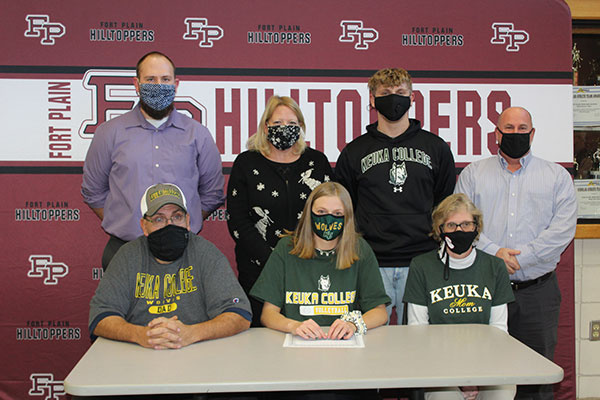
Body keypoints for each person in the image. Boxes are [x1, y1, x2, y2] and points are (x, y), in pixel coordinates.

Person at [455, 106, 578, 400]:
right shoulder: (473, 174)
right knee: (482, 371)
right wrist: (495, 252)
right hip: (483, 290)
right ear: (496, 134)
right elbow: (459, 221)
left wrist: (521, 258)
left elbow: (562, 230)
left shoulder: (556, 177)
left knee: (536, 377)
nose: (515, 134)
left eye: (522, 129)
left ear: (533, 134)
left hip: (537, 292)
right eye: (508, 129)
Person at [82, 51, 225, 270]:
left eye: (165, 79)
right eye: (150, 79)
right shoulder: (109, 133)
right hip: (124, 250)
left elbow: (212, 194)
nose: (159, 85)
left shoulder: (198, 134)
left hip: (183, 250)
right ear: (137, 84)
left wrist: (183, 223)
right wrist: (124, 220)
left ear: (176, 84)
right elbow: (93, 191)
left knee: (185, 306)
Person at [335, 67, 456, 323]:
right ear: (372, 99)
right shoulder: (354, 151)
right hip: (370, 261)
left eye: (401, 92)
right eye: (386, 93)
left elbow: (444, 205)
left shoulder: (436, 148)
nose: (394, 98)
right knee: (369, 340)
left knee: (420, 344)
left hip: (422, 261)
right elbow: (346, 208)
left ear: (412, 98)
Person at [89, 183, 251, 350]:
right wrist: (141, 335)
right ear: (144, 225)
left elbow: (239, 314)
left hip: (197, 352)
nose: (169, 225)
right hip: (140, 353)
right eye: (159, 219)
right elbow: (100, 317)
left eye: (177, 217)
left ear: (188, 221)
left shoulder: (206, 253)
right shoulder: (127, 256)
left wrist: (191, 333)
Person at [227, 95, 333, 326]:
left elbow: (330, 213)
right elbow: (237, 221)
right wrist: (273, 261)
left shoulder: (316, 162)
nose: (284, 129)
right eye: (277, 124)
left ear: (301, 127)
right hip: (258, 271)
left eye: (292, 124)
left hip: (309, 268)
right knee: (260, 343)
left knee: (309, 335)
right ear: (265, 126)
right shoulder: (247, 163)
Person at [403, 193, 515, 400]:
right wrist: (457, 379)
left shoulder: (495, 266)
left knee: (503, 391)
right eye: (451, 226)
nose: (459, 231)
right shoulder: (422, 266)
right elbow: (417, 332)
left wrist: (478, 379)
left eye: (466, 224)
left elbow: (500, 332)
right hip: (438, 365)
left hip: (486, 362)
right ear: (440, 230)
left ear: (476, 227)